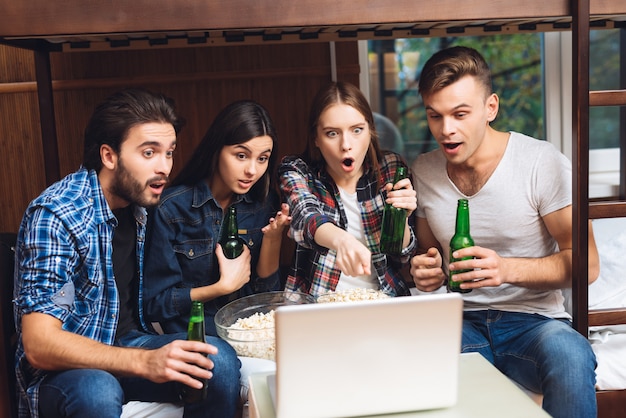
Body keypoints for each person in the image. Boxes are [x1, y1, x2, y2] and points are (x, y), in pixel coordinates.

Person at [13, 88, 241, 418]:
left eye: (169, 152)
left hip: (127, 342)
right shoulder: (58, 214)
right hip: (63, 371)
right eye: (149, 153)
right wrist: (145, 362)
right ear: (109, 156)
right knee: (97, 389)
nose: (164, 167)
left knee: (215, 360)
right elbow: (39, 344)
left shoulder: (140, 206)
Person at [409, 46, 600, 418]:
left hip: (535, 323)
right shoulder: (425, 170)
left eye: (460, 114)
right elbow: (426, 256)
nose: (446, 130)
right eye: (435, 116)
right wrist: (424, 270)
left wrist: (506, 269)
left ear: (490, 108)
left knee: (573, 356)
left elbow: (588, 264)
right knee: (418, 360)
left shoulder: (541, 162)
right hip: (458, 322)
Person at [143, 100, 288, 337]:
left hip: (250, 334)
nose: (252, 170)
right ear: (217, 149)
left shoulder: (263, 203)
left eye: (262, 158)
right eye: (241, 155)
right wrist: (221, 288)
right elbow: (155, 304)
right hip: (197, 336)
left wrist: (273, 240)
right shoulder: (171, 209)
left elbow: (265, 295)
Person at [279, 81, 417, 297]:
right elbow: (305, 216)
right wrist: (342, 240)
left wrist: (403, 219)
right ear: (315, 138)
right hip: (317, 306)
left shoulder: (391, 168)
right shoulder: (297, 170)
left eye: (357, 130)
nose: (346, 144)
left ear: (370, 131)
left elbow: (402, 255)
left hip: (384, 300)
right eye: (332, 133)